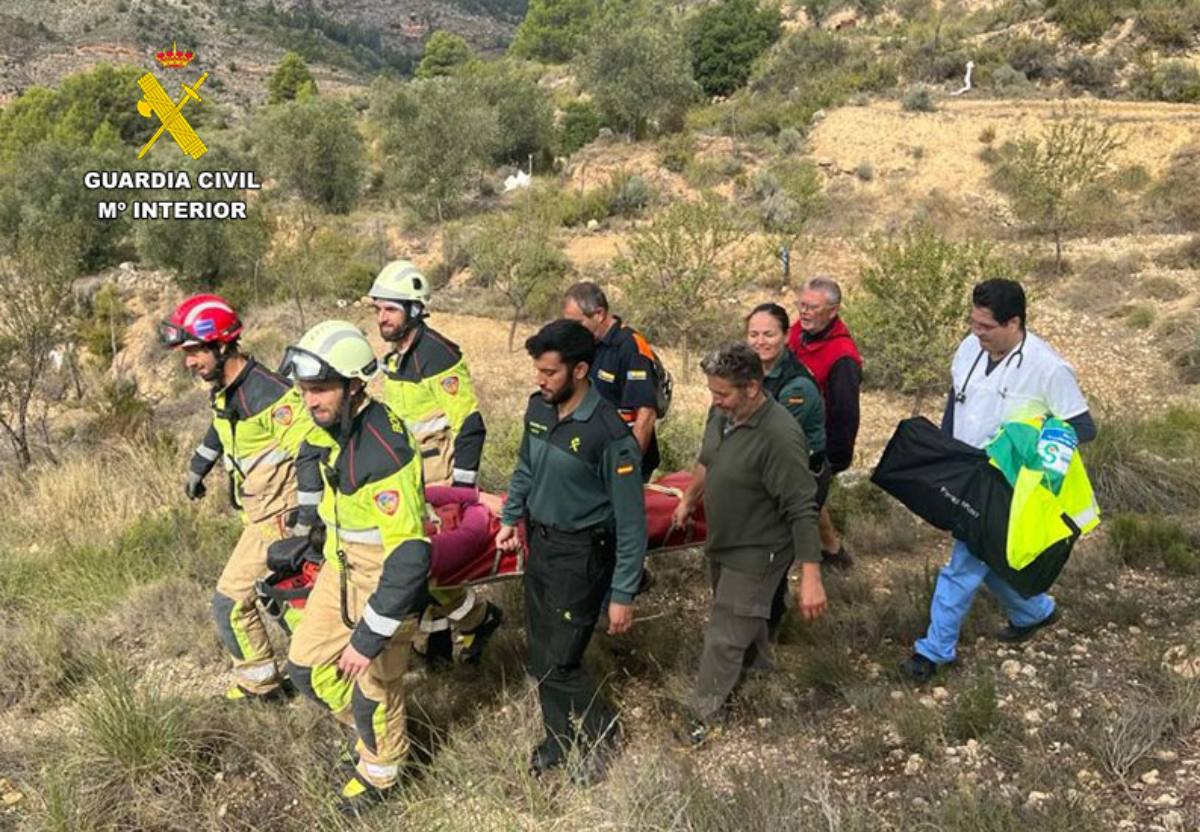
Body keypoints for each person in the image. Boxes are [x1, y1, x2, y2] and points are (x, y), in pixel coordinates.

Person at [901, 279, 1097, 683]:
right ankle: (1034, 612)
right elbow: (957, 400)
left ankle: (934, 652)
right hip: (966, 472)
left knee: (963, 563)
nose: (977, 332)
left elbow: (1082, 426)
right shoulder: (969, 348)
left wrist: (1032, 451)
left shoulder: (1048, 368)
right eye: (973, 322)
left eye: (986, 326)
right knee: (987, 553)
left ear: (1014, 322)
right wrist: (944, 450)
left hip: (1008, 483)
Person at [281, 320, 431, 815]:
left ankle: (384, 773)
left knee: (375, 686)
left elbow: (410, 558)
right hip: (339, 568)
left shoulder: (385, 451)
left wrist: (370, 635)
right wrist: (309, 526)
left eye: (320, 389)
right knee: (304, 667)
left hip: (384, 578)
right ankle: (371, 729)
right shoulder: (331, 421)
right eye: (304, 390)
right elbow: (308, 449)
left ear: (354, 386)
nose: (310, 402)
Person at [496, 319, 647, 782]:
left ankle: (604, 730)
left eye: (550, 372)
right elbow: (525, 467)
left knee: (561, 661)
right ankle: (559, 739)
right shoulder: (538, 409)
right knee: (541, 654)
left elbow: (631, 520)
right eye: (538, 371)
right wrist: (510, 517)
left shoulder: (608, 434)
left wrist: (622, 593)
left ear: (580, 370)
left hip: (581, 556)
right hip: (539, 545)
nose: (540, 380)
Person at [160, 293, 316, 702]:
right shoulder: (228, 387)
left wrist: (306, 520)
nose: (189, 362)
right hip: (261, 513)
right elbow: (220, 427)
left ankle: (263, 685)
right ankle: (317, 674)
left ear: (223, 343)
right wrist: (199, 466)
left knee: (229, 602)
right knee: (289, 602)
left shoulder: (269, 395)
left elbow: (311, 450)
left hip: (280, 518)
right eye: (185, 353)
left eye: (195, 351)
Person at [670, 342, 827, 745]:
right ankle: (757, 672)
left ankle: (700, 717)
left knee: (725, 629)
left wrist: (811, 575)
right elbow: (708, 459)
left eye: (722, 394)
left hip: (760, 548)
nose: (715, 400)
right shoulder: (724, 413)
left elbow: (802, 507)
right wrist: (689, 498)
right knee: (743, 615)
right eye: (712, 392)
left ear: (753, 388)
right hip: (726, 539)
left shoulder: (780, 436)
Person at [368, 259, 500, 666]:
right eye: (378, 310)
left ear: (413, 310)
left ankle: (478, 618)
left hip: (439, 475)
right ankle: (438, 642)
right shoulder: (397, 356)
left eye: (390, 309)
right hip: (411, 476)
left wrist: (462, 491)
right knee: (419, 566)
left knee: (427, 566)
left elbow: (470, 425)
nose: (382, 318)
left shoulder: (438, 355)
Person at [746, 303, 830, 637]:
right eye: (754, 334)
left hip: (798, 478)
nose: (760, 341)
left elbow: (768, 439)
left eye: (769, 334)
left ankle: (769, 627)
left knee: (773, 557)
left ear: (785, 337)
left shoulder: (797, 386)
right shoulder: (750, 372)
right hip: (763, 475)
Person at [788, 276, 862, 570]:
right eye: (801, 305)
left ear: (832, 311)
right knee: (806, 497)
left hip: (816, 444)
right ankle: (832, 550)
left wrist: (834, 459)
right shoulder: (797, 333)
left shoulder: (842, 357)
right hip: (789, 432)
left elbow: (845, 413)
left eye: (812, 307)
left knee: (803, 498)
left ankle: (809, 561)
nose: (804, 312)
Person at [563, 281, 661, 482]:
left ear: (599, 314)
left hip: (622, 459)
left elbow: (646, 415)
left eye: (578, 323)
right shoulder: (586, 343)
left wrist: (628, 466)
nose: (572, 331)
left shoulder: (630, 347)